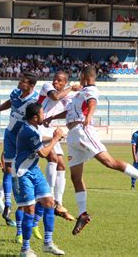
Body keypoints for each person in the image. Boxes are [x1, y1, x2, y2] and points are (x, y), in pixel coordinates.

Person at [44, 65, 138, 236]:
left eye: (80, 75)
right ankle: (83, 214)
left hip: (83, 132)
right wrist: (52, 117)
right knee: (75, 177)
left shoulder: (91, 89)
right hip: (73, 136)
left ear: (84, 75)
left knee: (109, 162)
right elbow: (69, 111)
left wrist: (89, 116)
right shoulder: (81, 91)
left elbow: (92, 102)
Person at [0, 72, 39, 231]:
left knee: (21, 172)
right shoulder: (15, 93)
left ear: (31, 85)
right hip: (9, 135)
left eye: (23, 81)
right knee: (7, 170)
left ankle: (26, 202)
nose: (19, 83)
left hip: (23, 139)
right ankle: (7, 203)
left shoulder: (35, 100)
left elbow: (38, 118)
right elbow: (10, 103)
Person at [13, 103, 65, 256]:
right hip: (23, 173)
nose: (44, 116)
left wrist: (54, 138)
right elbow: (43, 153)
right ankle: (25, 249)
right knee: (30, 209)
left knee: (49, 202)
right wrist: (55, 138)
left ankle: (48, 243)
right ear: (35, 117)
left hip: (34, 170)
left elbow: (40, 138)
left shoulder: (31, 127)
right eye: (42, 114)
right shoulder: (29, 131)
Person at [36, 71, 79, 225]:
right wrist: (71, 89)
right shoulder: (47, 86)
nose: (55, 82)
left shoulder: (68, 94)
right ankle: (48, 198)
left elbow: (68, 110)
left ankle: (58, 204)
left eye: (59, 81)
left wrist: (53, 117)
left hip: (52, 130)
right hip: (39, 129)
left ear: (65, 82)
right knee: (53, 159)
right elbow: (55, 96)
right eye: (55, 79)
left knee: (61, 166)